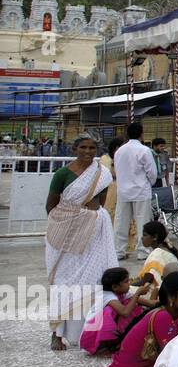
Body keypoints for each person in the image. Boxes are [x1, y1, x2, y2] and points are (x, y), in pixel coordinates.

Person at [44, 132, 120, 351]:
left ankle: (93, 331)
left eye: (92, 148)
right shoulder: (62, 174)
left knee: (94, 281)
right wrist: (67, 225)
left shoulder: (101, 173)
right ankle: (57, 333)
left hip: (95, 233)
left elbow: (101, 202)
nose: (87, 152)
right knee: (63, 280)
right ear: (74, 149)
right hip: (67, 234)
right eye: (83, 148)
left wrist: (89, 219)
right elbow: (51, 206)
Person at [112, 123, 157, 263]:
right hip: (141, 190)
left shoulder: (119, 151)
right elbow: (152, 172)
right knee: (142, 221)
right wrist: (150, 182)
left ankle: (119, 250)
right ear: (141, 134)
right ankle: (143, 251)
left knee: (121, 222)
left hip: (123, 190)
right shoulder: (144, 150)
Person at [80, 267, 143, 355]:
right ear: (115, 287)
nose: (129, 284)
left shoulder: (123, 293)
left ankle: (114, 343)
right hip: (93, 332)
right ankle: (103, 346)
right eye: (126, 281)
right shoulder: (107, 296)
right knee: (110, 310)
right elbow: (125, 312)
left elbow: (148, 303)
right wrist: (137, 294)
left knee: (131, 303)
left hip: (98, 328)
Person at [134, 219, 178, 285]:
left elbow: (145, 281)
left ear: (155, 237)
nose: (142, 238)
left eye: (145, 235)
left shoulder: (156, 254)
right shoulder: (166, 249)